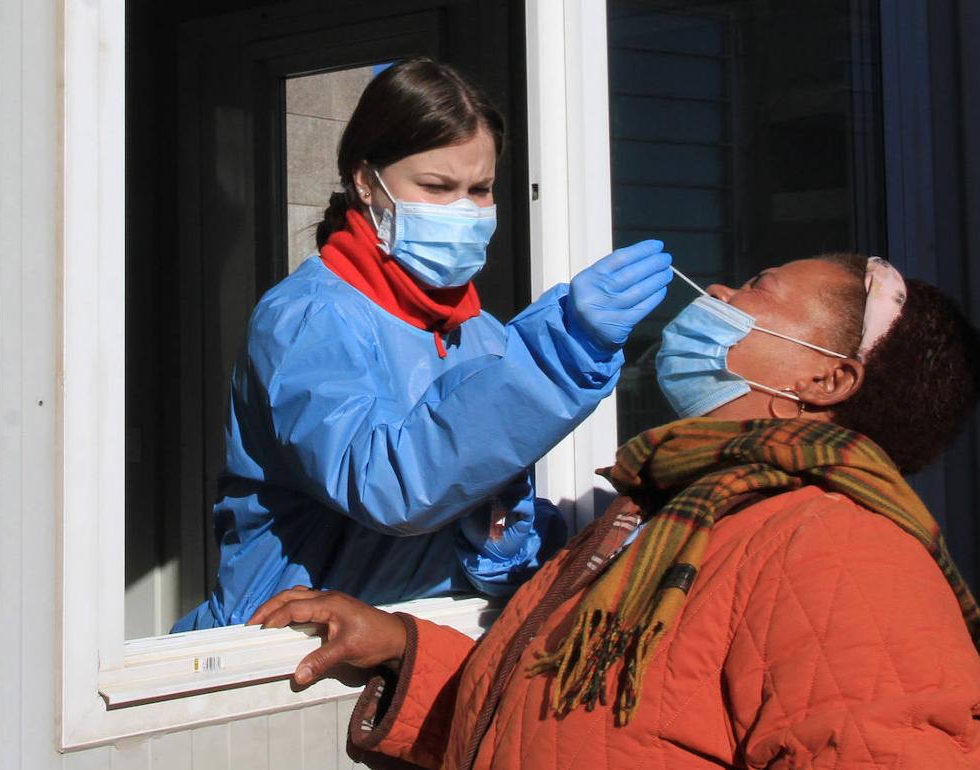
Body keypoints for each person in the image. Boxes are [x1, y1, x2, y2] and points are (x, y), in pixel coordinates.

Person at [250, 253, 980, 769]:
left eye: (756, 288)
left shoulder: (839, 550)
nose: (716, 294)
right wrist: (404, 650)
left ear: (826, 378)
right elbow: (572, 727)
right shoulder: (672, 514)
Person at [173, 58, 673, 630]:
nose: (464, 210)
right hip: (283, 658)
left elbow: (489, 530)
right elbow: (387, 486)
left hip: (425, 643)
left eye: (480, 189)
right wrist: (561, 353)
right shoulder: (307, 317)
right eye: (436, 187)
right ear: (366, 183)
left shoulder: (480, 332)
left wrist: (503, 544)